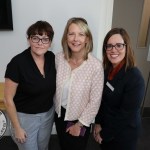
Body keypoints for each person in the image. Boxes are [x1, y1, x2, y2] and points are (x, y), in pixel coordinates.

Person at [4, 21, 56, 150]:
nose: (40, 43)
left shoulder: (52, 58)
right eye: (35, 38)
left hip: (47, 115)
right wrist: (17, 128)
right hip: (25, 119)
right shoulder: (17, 63)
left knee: (43, 147)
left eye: (45, 39)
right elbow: (7, 99)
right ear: (28, 40)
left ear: (50, 43)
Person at [54, 17, 104, 150]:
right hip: (59, 115)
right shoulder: (59, 58)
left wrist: (79, 125)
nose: (76, 39)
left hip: (80, 120)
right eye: (71, 34)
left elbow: (95, 101)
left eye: (81, 34)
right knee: (63, 146)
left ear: (87, 39)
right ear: (66, 37)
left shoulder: (96, 66)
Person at [93, 28, 145, 150]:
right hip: (106, 126)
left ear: (127, 48)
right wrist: (98, 123)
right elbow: (101, 100)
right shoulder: (106, 71)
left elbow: (125, 116)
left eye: (119, 45)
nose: (113, 50)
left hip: (123, 134)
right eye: (109, 46)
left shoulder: (135, 78)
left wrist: (104, 134)